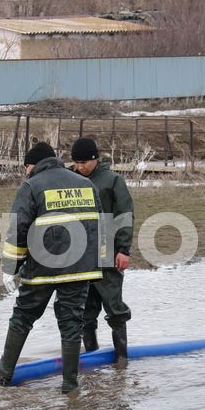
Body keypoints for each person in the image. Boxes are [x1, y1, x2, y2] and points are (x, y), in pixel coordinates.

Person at [0, 142, 102, 394]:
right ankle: (70, 384)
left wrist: (9, 268)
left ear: (32, 164)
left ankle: (6, 368)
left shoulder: (31, 186)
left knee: (24, 314)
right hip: (81, 267)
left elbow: (18, 230)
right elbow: (100, 224)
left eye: (26, 167)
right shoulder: (86, 184)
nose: (26, 172)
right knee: (72, 322)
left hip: (43, 267)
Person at [70, 137, 134, 361]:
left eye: (84, 162)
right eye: (76, 162)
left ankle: (122, 361)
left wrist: (124, 250)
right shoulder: (70, 180)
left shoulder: (113, 181)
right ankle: (91, 358)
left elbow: (124, 215)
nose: (80, 167)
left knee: (115, 308)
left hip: (108, 253)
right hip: (80, 256)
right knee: (86, 311)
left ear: (95, 159)